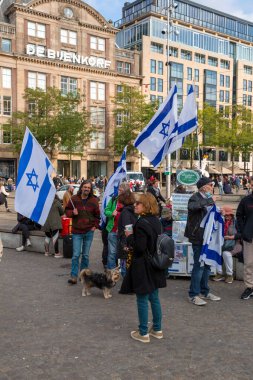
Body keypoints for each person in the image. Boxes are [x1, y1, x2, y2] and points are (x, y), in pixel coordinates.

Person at [122, 193, 166, 343]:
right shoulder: (157, 221)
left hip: (143, 265)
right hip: (155, 263)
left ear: (146, 206)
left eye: (138, 203)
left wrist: (129, 237)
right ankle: (157, 329)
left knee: (142, 298)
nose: (135, 205)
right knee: (154, 298)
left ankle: (143, 332)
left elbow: (140, 247)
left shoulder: (141, 223)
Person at [185, 177, 221, 306]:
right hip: (198, 237)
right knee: (199, 265)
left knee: (207, 265)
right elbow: (192, 207)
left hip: (208, 237)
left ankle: (204, 291)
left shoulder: (207, 198)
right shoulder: (195, 197)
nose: (212, 187)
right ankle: (193, 294)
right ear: (204, 186)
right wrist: (209, 200)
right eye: (210, 185)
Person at [65, 180, 100, 284]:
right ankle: (74, 276)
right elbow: (66, 211)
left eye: (89, 188)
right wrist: (72, 212)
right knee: (76, 255)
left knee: (85, 255)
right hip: (77, 231)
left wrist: (95, 226)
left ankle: (83, 275)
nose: (87, 189)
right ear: (81, 187)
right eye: (85, 187)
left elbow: (98, 216)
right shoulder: (74, 199)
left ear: (91, 189)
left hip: (89, 231)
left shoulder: (94, 200)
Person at [104, 182, 130, 270]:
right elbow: (106, 210)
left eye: (121, 190)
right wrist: (111, 213)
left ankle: (124, 271)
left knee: (123, 252)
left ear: (126, 192)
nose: (119, 191)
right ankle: (111, 271)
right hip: (113, 229)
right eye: (118, 190)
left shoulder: (129, 202)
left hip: (124, 232)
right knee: (112, 252)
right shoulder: (114, 199)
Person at [236, 176, 253, 300]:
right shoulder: (246, 200)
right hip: (249, 237)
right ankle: (250, 287)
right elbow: (239, 215)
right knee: (249, 263)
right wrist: (244, 231)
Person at [213, 206, 238, 284]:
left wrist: (231, 237)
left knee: (226, 253)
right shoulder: (221, 221)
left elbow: (241, 234)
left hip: (235, 244)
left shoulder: (236, 222)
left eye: (228, 215)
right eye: (225, 215)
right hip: (222, 243)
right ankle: (220, 273)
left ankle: (230, 275)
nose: (227, 217)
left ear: (231, 215)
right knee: (217, 252)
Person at [117, 189, 138, 278]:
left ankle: (127, 286)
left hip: (126, 241)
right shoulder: (133, 211)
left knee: (125, 265)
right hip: (131, 240)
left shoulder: (125, 212)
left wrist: (125, 244)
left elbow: (127, 228)